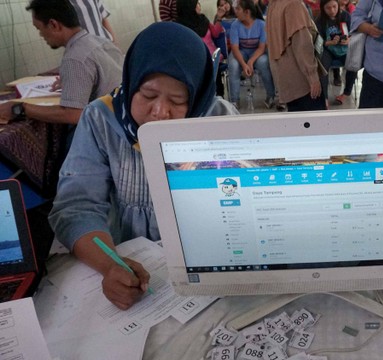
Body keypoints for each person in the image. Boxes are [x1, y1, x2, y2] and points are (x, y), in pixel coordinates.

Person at [48, 22, 238, 310]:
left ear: (197, 97)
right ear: (131, 81)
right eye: (148, 95)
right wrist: (110, 265)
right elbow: (77, 205)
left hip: (208, 258)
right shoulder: (101, 119)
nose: (160, 112)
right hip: (129, 258)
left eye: (178, 101)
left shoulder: (217, 119)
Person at [0, 0, 123, 128]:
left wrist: (21, 108)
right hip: (123, 120)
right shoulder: (102, 42)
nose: (41, 35)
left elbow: (74, 114)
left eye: (39, 28)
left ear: (54, 24)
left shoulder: (75, 58)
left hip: (106, 131)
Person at [267, 0, 327, 111]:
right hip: (301, 79)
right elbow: (302, 44)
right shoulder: (293, 4)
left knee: (296, 122)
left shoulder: (273, 4)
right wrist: (312, 76)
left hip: (284, 77)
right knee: (315, 124)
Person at [228, 0, 277, 109]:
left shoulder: (261, 25)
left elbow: (261, 47)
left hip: (257, 53)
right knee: (233, 65)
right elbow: (235, 48)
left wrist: (250, 61)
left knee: (264, 63)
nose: (235, 11)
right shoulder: (235, 25)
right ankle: (234, 100)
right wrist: (244, 64)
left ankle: (271, 96)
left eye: (238, 9)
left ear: (247, 12)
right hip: (241, 52)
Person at [176, 0, 227, 97]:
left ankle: (219, 96)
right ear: (189, 7)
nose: (199, 6)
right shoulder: (179, 26)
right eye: (197, 4)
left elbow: (215, 33)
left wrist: (219, 18)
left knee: (213, 68)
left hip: (212, 56)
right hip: (194, 59)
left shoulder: (203, 19)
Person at [315, 0, 357, 105]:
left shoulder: (346, 16)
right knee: (322, 67)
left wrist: (348, 40)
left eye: (334, 6)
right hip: (328, 49)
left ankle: (346, 93)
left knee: (353, 63)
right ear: (323, 9)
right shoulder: (320, 20)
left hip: (344, 48)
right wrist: (330, 42)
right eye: (328, 8)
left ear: (338, 5)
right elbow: (317, 42)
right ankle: (324, 98)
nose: (332, 10)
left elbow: (354, 33)